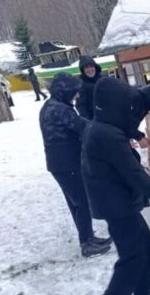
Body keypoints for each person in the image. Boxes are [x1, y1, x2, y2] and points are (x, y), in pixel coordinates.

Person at [81, 77, 150, 295]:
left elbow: (125, 127)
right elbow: (135, 174)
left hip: (118, 199)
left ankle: (144, 293)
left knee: (144, 243)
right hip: (115, 204)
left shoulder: (104, 125)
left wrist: (136, 134)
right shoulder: (107, 136)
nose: (131, 110)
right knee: (132, 256)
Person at [39, 73, 112, 258]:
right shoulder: (59, 109)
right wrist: (108, 132)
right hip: (66, 163)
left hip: (60, 163)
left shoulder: (53, 105)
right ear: (64, 91)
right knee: (82, 202)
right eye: (74, 92)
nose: (77, 96)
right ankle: (86, 243)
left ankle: (87, 237)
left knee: (75, 203)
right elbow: (83, 127)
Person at [76, 55, 102, 120]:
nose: (90, 69)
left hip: (107, 115)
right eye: (86, 67)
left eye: (91, 66)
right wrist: (88, 122)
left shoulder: (102, 79)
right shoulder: (81, 84)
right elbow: (81, 106)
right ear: (83, 70)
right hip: (93, 118)